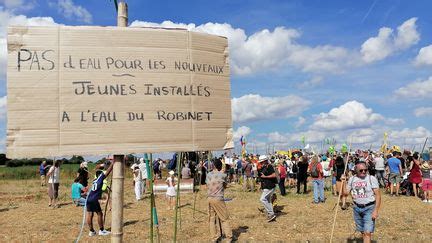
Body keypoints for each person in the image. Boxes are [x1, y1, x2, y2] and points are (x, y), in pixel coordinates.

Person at [343, 162, 381, 243]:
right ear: (356, 170)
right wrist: (343, 181)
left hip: (369, 208)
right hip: (356, 208)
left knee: (367, 233)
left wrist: (376, 210)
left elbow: (378, 195)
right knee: (363, 231)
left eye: (365, 170)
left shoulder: (371, 178)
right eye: (361, 170)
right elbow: (345, 193)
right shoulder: (352, 179)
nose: (364, 172)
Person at [206, 158, 232, 242]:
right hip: (218, 198)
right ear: (220, 166)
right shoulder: (223, 175)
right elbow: (225, 186)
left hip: (209, 198)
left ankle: (214, 238)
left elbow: (207, 185)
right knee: (224, 218)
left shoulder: (208, 174)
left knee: (212, 219)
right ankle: (229, 238)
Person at [87, 163, 113, 236]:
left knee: (90, 214)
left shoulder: (95, 180)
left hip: (89, 198)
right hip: (94, 199)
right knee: (99, 214)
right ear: (101, 175)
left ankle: (91, 231)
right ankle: (102, 230)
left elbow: (97, 170)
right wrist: (113, 163)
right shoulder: (101, 178)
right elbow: (108, 171)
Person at [258, 155, 277, 222]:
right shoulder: (264, 167)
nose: (260, 163)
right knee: (268, 201)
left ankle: (271, 214)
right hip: (266, 186)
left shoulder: (270, 166)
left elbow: (274, 175)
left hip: (270, 186)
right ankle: (271, 214)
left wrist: (265, 177)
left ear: (265, 161)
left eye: (261, 162)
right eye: (260, 162)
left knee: (262, 199)